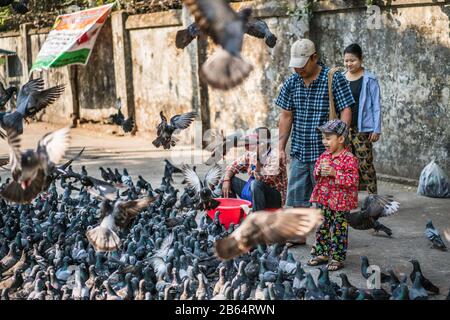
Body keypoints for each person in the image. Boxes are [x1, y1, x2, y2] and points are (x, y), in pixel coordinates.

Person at [275, 38, 355, 246]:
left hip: (326, 151)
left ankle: (330, 239)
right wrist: (280, 148)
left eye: (302, 65)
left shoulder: (334, 78)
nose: (298, 69)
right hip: (301, 148)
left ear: (314, 58)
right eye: (295, 65)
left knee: (327, 198)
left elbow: (346, 108)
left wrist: (341, 139)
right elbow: (286, 116)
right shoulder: (291, 82)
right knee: (297, 196)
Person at [307, 119, 359, 271]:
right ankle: (322, 253)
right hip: (323, 198)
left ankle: (337, 257)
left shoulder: (350, 159)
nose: (325, 142)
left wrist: (335, 173)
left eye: (328, 138)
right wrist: (318, 171)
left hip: (341, 203)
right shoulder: (323, 156)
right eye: (323, 138)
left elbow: (353, 180)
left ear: (341, 139)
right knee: (322, 226)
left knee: (339, 229)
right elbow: (316, 174)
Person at [344, 43, 381, 194]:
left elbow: (376, 105)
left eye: (352, 60)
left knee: (365, 163)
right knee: (348, 166)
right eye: (346, 60)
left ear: (361, 59)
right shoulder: (341, 78)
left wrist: (376, 129)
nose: (348, 64)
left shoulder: (369, 79)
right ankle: (351, 198)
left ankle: (374, 198)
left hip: (363, 129)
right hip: (345, 129)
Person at [222, 127, 287, 212]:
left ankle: (257, 218)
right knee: (226, 179)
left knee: (255, 184)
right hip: (254, 192)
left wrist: (258, 159)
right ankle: (232, 215)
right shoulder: (251, 154)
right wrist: (226, 179)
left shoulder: (276, 156)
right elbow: (233, 166)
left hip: (273, 198)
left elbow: (265, 178)